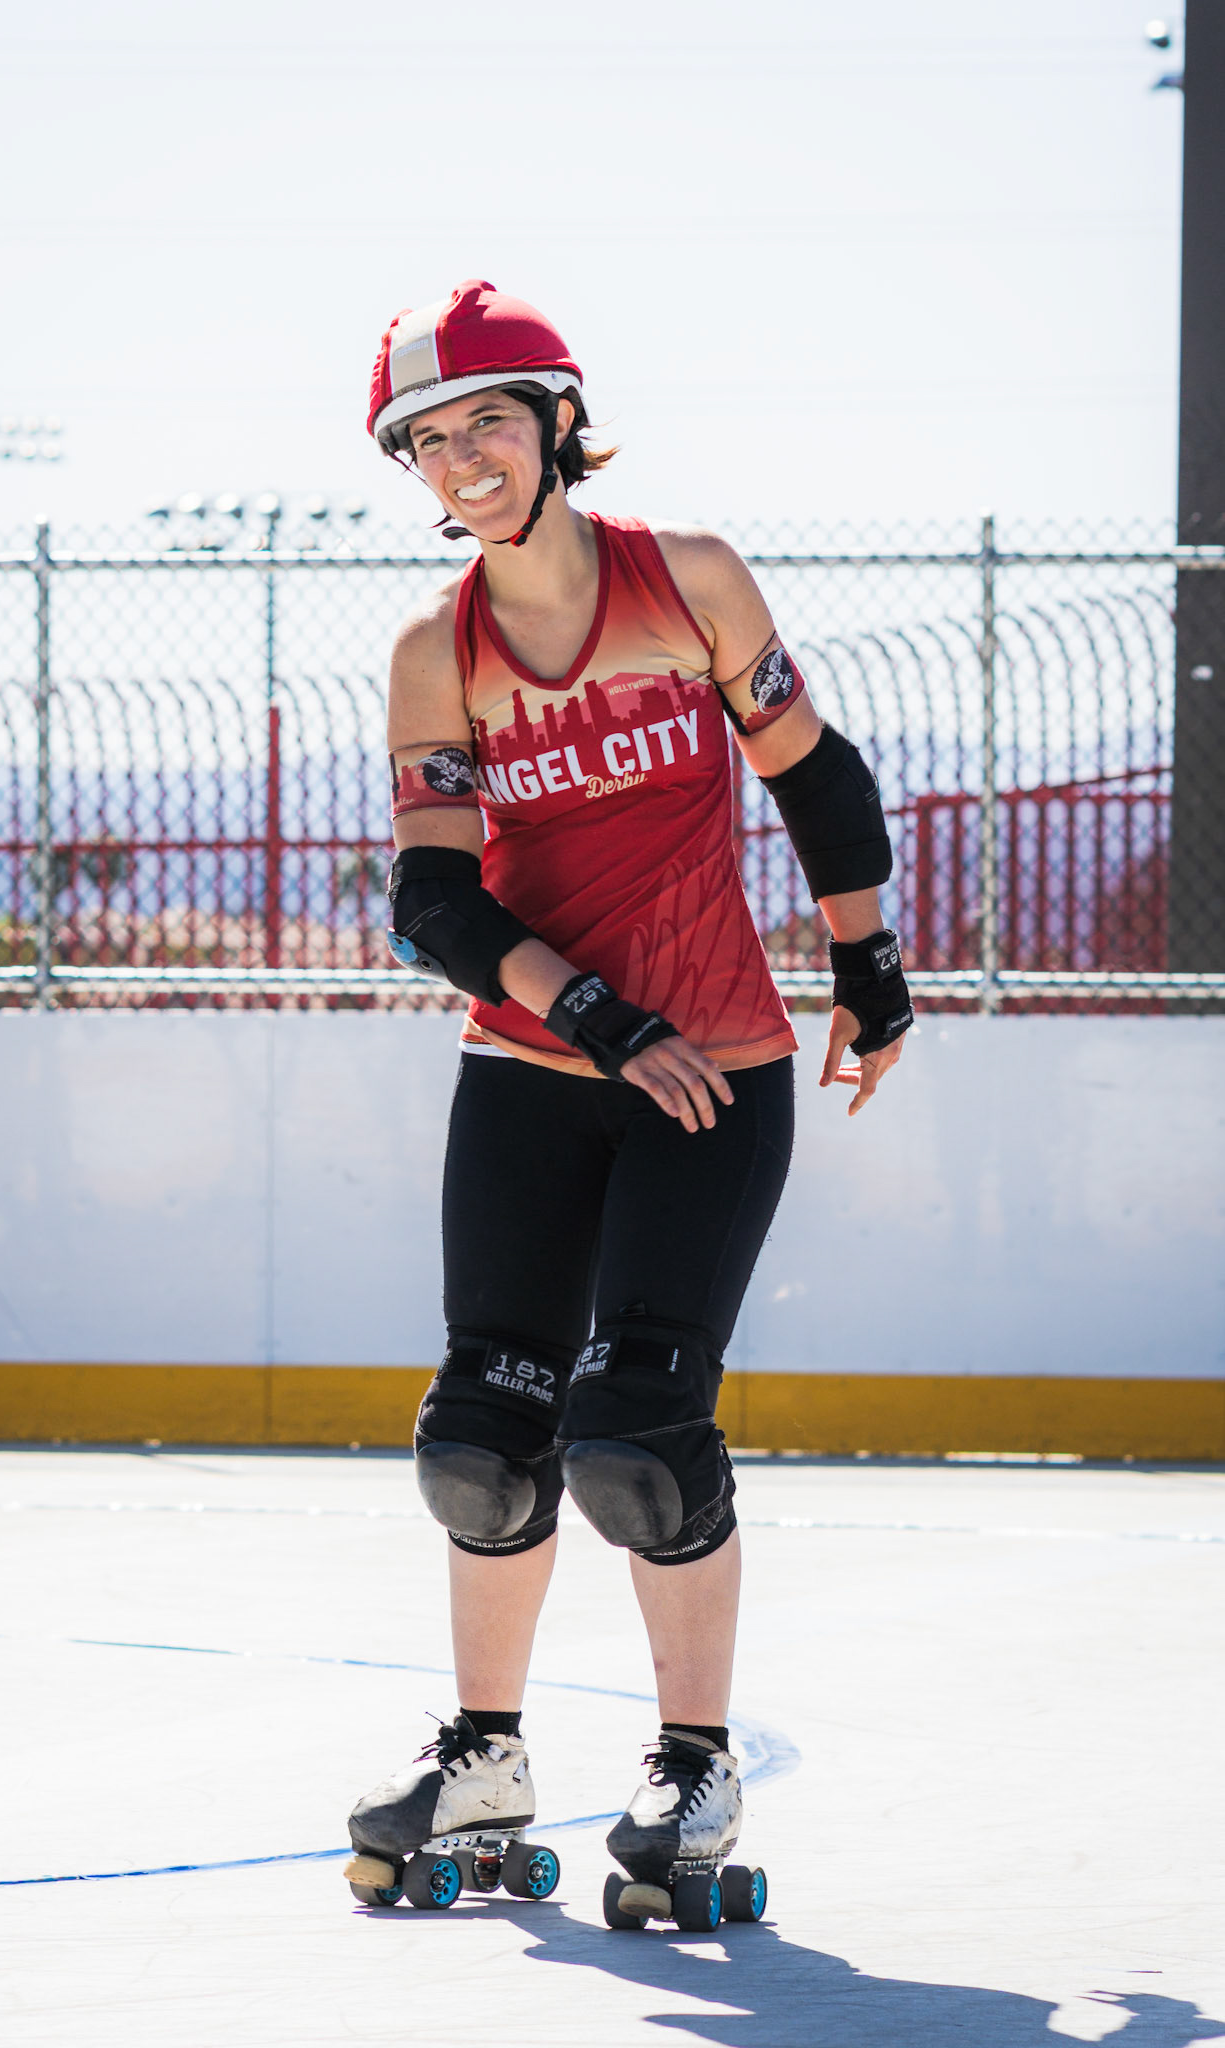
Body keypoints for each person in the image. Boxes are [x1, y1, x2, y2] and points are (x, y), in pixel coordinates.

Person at [344, 280, 912, 1920]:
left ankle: (692, 1766)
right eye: (429, 439)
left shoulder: (688, 580)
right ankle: (484, 1753)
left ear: (558, 423)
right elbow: (434, 903)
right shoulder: (435, 652)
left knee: (638, 1445)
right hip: (534, 1071)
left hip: (712, 1075)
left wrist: (867, 965)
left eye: (490, 422)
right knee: (481, 1440)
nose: (465, 458)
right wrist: (595, 1018)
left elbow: (815, 775)